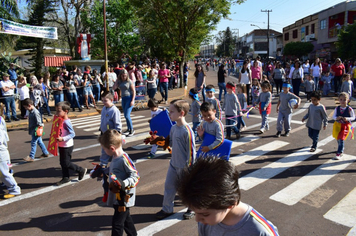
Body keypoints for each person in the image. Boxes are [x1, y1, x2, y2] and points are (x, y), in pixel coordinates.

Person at [177, 157, 279, 236]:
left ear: (230, 204)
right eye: (195, 212)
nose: (197, 219)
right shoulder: (206, 221)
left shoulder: (259, 230)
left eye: (205, 214)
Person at [156, 99, 196, 220]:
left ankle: (192, 207)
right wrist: (160, 141)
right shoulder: (173, 128)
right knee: (169, 186)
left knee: (186, 189)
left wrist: (189, 168)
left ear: (181, 113)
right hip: (173, 164)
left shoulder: (187, 131)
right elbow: (171, 145)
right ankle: (167, 209)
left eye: (172, 112)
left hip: (184, 166)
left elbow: (191, 152)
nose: (169, 114)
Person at [98, 129, 139, 236]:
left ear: (112, 148)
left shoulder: (124, 159)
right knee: (126, 220)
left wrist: (123, 183)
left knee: (117, 224)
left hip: (124, 198)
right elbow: (115, 171)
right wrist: (103, 171)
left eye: (104, 149)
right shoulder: (115, 157)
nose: (104, 151)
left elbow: (135, 176)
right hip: (118, 197)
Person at [54, 101, 87, 185]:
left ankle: (80, 170)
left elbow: (72, 133)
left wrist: (63, 138)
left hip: (67, 145)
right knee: (62, 163)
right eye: (56, 111)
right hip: (61, 145)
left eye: (58, 111)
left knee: (66, 163)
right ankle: (65, 177)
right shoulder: (60, 120)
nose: (56, 113)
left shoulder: (66, 122)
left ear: (66, 111)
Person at [98, 93, 122, 202]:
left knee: (112, 152)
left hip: (111, 136)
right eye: (103, 100)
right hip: (104, 134)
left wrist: (117, 134)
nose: (104, 103)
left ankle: (115, 168)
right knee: (104, 151)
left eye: (106, 101)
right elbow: (103, 120)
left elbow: (117, 124)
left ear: (112, 100)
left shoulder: (114, 111)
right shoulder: (104, 108)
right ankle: (103, 167)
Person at [0, 116, 21, 198]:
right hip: (3, 150)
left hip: (1, 152)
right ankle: (6, 182)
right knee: (4, 171)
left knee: (4, 172)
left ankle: (14, 190)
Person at [332, 92, 355, 160]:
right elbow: (333, 116)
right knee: (338, 138)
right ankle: (341, 147)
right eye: (341, 99)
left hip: (346, 125)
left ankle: (339, 152)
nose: (342, 101)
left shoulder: (349, 109)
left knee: (341, 138)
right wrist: (336, 118)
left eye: (344, 99)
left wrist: (347, 119)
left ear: (348, 100)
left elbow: (353, 117)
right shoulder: (337, 108)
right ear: (339, 100)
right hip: (338, 125)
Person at [113, 69, 136, 136]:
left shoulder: (129, 81)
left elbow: (134, 91)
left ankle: (132, 129)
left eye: (125, 76)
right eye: (122, 76)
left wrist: (132, 100)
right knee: (125, 115)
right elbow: (114, 88)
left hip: (129, 98)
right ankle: (128, 129)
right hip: (123, 99)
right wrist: (117, 80)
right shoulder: (120, 81)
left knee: (127, 115)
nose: (124, 77)